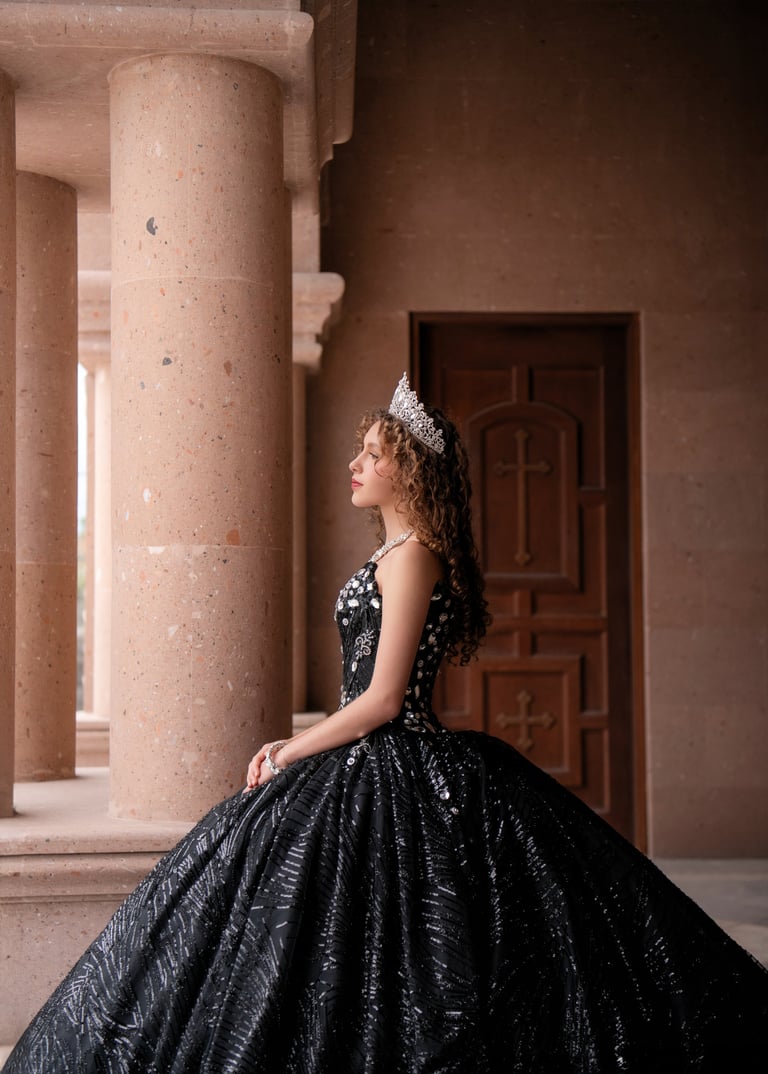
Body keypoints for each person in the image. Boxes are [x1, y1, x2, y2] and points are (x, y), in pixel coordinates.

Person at [4, 374, 767, 1074]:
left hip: (399, 760)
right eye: (361, 450)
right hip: (365, 762)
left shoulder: (415, 558)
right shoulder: (395, 551)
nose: (355, 463)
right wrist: (293, 748)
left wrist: (291, 749)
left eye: (372, 452)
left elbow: (384, 700)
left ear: (409, 469)